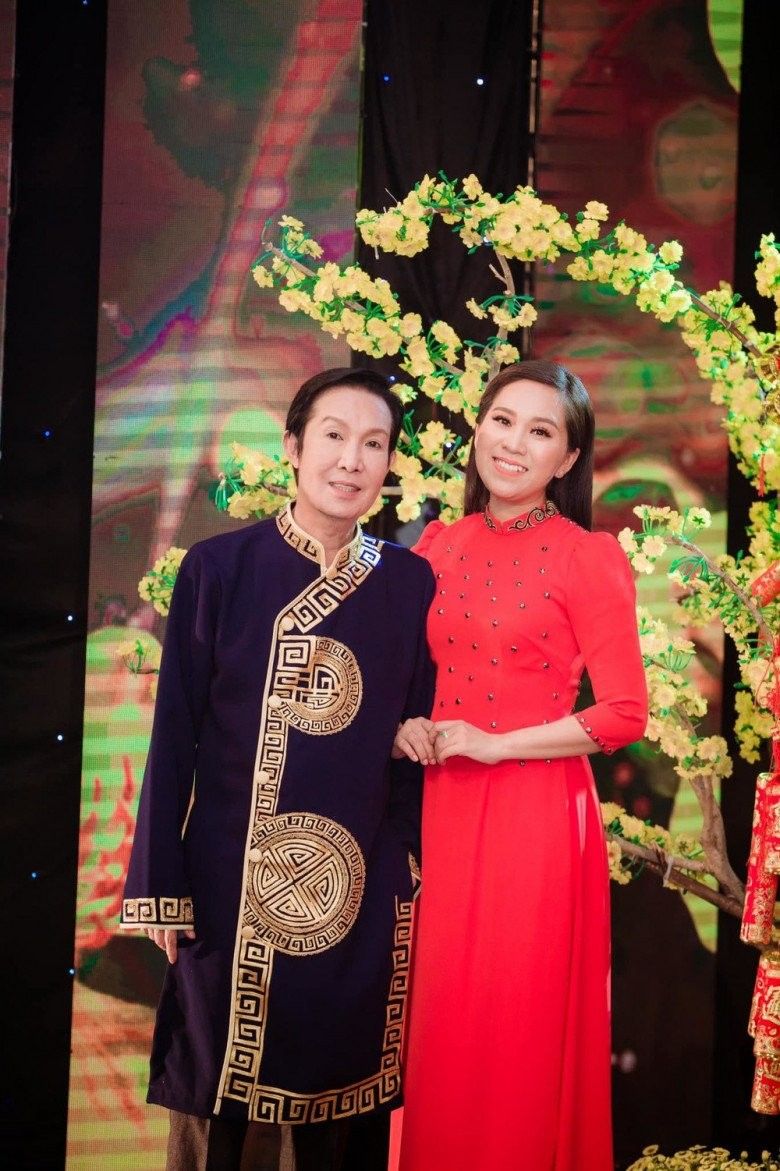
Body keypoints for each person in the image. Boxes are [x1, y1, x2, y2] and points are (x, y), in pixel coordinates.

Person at [120, 368, 435, 1171]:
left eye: (374, 443)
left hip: (354, 887)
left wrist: (404, 862)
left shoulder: (409, 582)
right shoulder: (219, 567)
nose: (352, 460)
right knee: (210, 1100)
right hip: (225, 881)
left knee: (337, 1108)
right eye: (334, 435)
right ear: (293, 447)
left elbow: (414, 737)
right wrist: (159, 883)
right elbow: (174, 734)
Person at [393, 360, 648, 1171]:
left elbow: (624, 712)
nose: (513, 443)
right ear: (478, 429)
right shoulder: (438, 544)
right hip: (438, 809)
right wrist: (408, 724)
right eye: (502, 421)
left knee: (514, 1028)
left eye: (540, 432)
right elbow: (408, 677)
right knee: (435, 1024)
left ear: (567, 459)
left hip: (533, 816)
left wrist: (496, 743)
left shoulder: (586, 555)